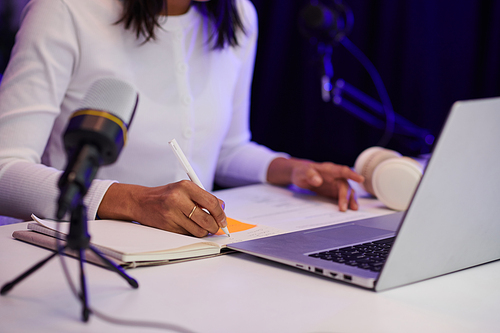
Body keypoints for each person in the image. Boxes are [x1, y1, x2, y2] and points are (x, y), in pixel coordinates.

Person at [0, 0, 364, 236]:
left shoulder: (238, 15)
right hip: (79, 253)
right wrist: (135, 201)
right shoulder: (65, 10)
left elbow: (226, 149)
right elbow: (4, 170)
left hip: (192, 256)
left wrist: (296, 171)